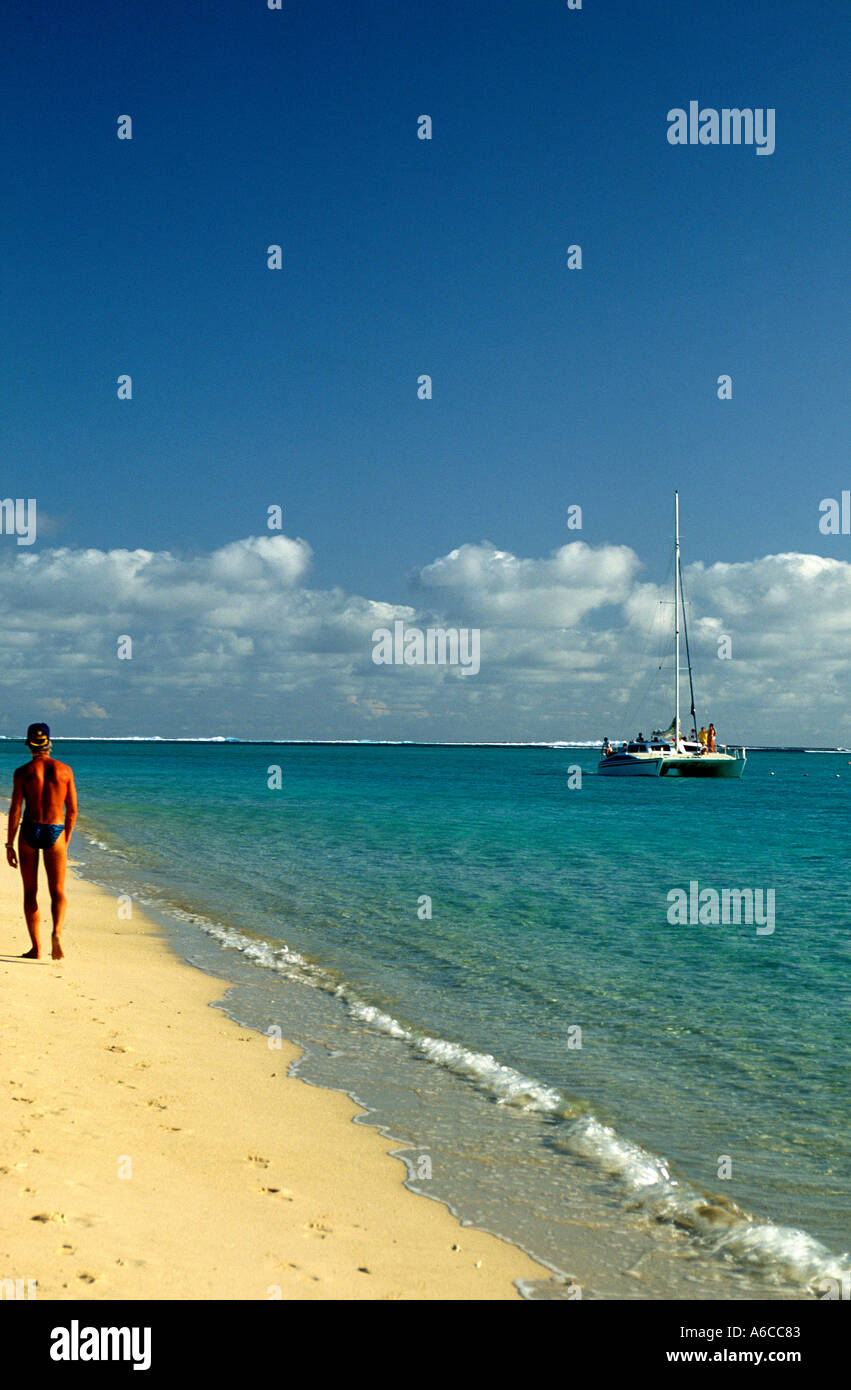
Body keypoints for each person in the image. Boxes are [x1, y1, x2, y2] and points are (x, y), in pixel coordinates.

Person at [6, 723, 77, 960]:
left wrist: (9, 844)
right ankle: (56, 933)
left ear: (29, 745)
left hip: (29, 829)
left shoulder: (22, 772)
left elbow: (15, 810)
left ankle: (36, 948)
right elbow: (73, 811)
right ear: (49, 743)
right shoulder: (65, 771)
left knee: (30, 891)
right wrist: (64, 840)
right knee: (57, 891)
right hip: (55, 830)